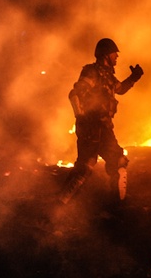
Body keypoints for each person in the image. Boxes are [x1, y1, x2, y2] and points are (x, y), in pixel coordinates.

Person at [59, 38, 144, 205]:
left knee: (118, 161)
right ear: (106, 55)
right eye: (114, 54)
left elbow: (120, 89)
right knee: (85, 169)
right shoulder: (92, 72)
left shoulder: (108, 76)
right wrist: (82, 117)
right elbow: (75, 95)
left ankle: (117, 206)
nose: (117, 57)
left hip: (104, 128)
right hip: (91, 128)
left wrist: (134, 77)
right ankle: (59, 205)